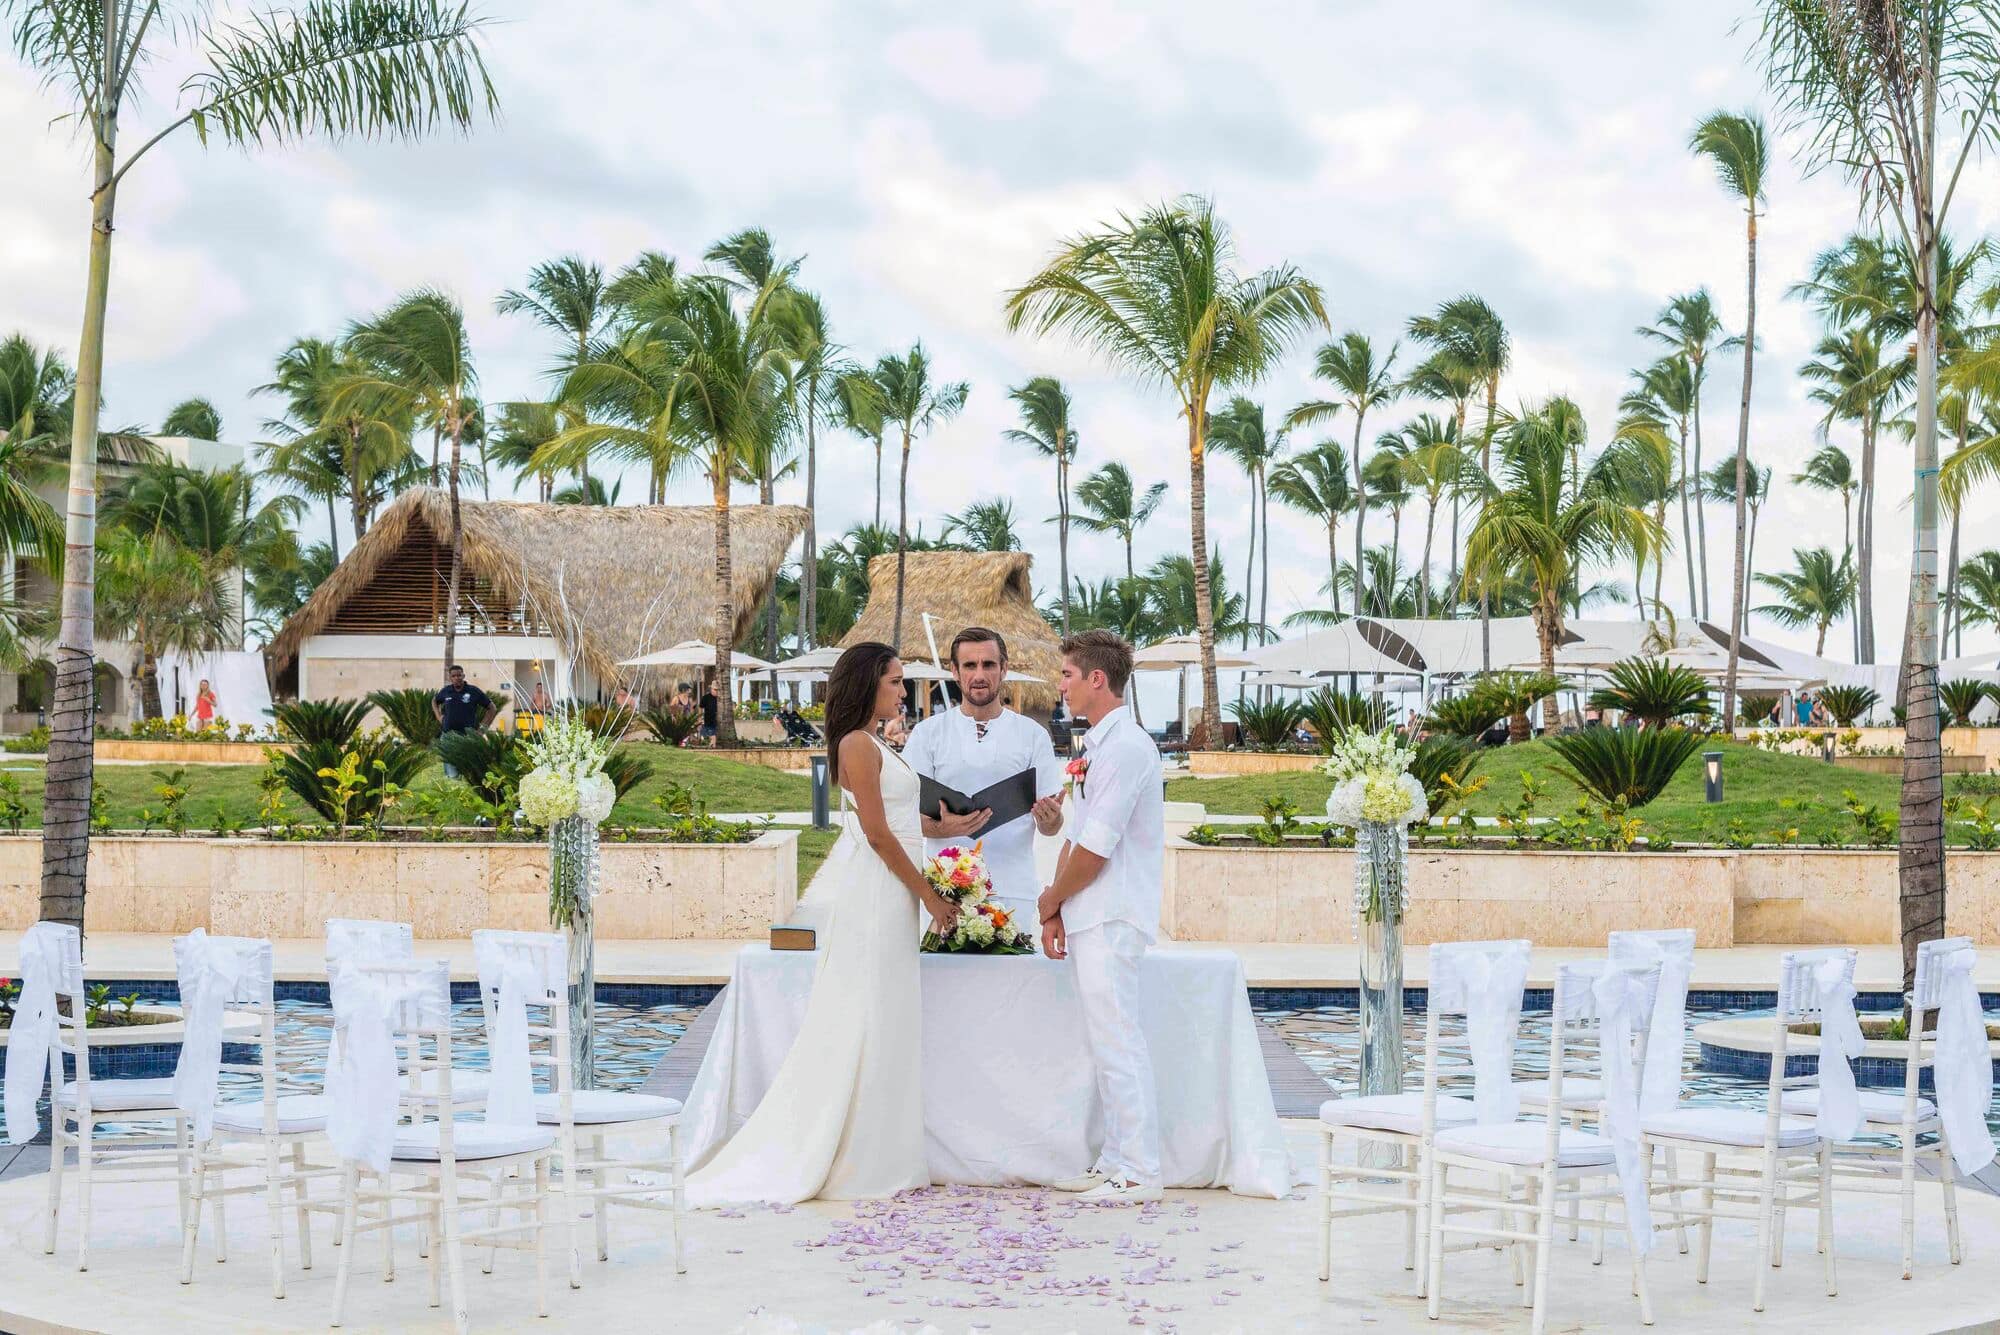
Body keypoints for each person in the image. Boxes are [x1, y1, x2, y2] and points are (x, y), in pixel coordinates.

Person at [687, 643, 959, 1206]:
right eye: (894, 681)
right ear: (868, 684)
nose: (902, 691)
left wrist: (947, 828)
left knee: (886, 1014)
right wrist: (931, 897)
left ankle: (882, 1147)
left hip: (892, 890)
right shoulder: (858, 744)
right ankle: (862, 1156)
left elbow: (899, 825)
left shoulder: (877, 742)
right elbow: (879, 837)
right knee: (871, 1012)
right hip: (881, 896)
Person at [1036, 630, 1166, 1204]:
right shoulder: (1092, 747)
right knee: (1103, 1044)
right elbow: (1078, 835)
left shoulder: (1129, 747)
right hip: (1089, 911)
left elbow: (1098, 850)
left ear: (1096, 679)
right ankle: (1114, 1158)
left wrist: (1049, 899)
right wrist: (1058, 909)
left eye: (1067, 674)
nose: (1060, 685)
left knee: (1119, 1042)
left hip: (1113, 913)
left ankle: (1139, 1170)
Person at [902, 628, 1066, 926]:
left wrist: (1050, 819)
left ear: (1004, 668)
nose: (979, 674)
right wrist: (943, 827)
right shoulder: (928, 734)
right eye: (969, 665)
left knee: (1015, 975)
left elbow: (1051, 828)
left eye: (988, 664)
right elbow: (903, 817)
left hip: (1014, 892)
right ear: (954, 671)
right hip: (946, 893)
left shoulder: (1032, 735)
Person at [432, 665, 494, 736]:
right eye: (453, 676)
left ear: (463, 676)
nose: (456, 678)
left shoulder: (473, 691)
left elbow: (492, 708)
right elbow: (434, 701)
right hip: (448, 736)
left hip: (468, 736)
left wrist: (482, 729)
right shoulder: (446, 691)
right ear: (450, 678)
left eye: (459, 675)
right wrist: (439, 717)